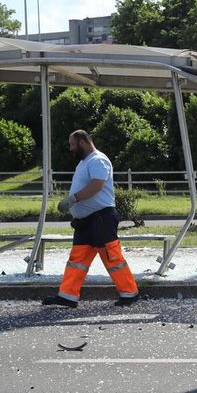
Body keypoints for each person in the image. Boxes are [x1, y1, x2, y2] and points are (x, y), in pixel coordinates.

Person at [42, 130, 139, 308]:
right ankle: (68, 296)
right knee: (77, 259)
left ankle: (130, 294)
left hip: (101, 218)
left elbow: (96, 185)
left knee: (112, 257)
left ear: (82, 142)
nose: (70, 148)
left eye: (72, 144)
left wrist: (73, 199)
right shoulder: (85, 162)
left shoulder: (98, 160)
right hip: (87, 221)